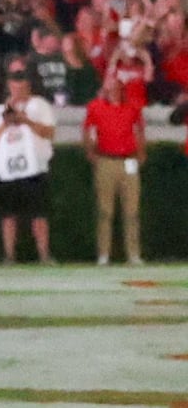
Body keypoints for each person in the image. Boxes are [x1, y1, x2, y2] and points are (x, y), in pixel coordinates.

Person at [0, 77, 65, 263]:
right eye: (14, 87)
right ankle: (9, 256)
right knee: (8, 217)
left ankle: (44, 255)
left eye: (21, 87)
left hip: (33, 168)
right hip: (8, 170)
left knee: (39, 215)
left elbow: (50, 133)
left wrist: (26, 120)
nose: (17, 91)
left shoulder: (39, 105)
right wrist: (6, 121)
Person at [92, 54, 151, 267]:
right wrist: (93, 154)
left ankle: (133, 254)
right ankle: (104, 254)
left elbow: (139, 131)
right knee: (105, 211)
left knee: (132, 211)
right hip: (107, 159)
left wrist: (140, 153)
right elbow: (89, 131)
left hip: (128, 159)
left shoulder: (132, 108)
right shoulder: (96, 107)